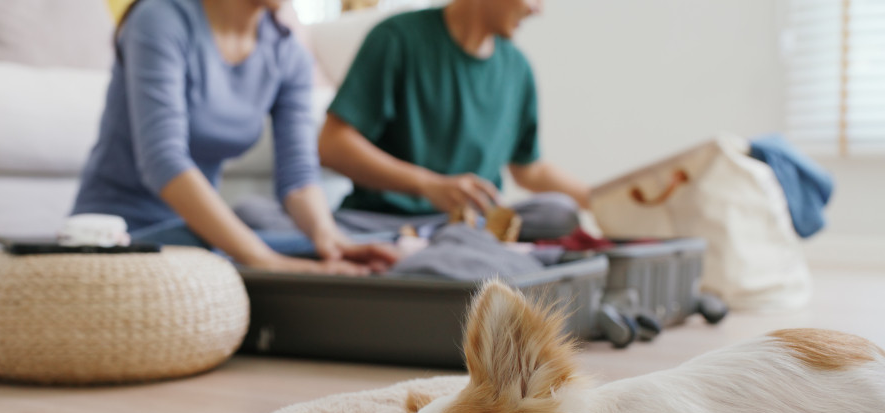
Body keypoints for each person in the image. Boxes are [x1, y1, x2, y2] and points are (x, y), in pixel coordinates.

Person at [72, 0, 397, 275]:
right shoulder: (160, 18)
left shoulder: (288, 54)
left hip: (201, 231)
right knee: (244, 247)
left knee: (351, 246)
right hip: (122, 232)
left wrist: (329, 239)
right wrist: (262, 259)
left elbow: (297, 176)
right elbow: (163, 161)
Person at [318, 0, 591, 240]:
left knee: (559, 213)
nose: (538, 9)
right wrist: (428, 185)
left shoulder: (518, 69)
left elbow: (529, 170)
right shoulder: (397, 38)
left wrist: (601, 201)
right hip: (387, 222)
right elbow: (332, 144)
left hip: (472, 228)